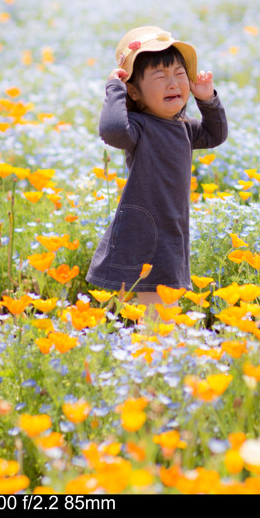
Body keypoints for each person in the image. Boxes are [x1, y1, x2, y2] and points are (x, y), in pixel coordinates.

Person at [86, 26, 228, 313]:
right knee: (158, 308)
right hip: (145, 229)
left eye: (179, 74)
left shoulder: (184, 128)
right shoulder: (138, 128)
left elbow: (216, 135)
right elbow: (112, 130)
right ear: (135, 91)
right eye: (160, 77)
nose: (173, 83)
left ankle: (155, 352)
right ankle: (156, 353)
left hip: (172, 227)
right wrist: (114, 88)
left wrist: (207, 100)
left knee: (161, 307)